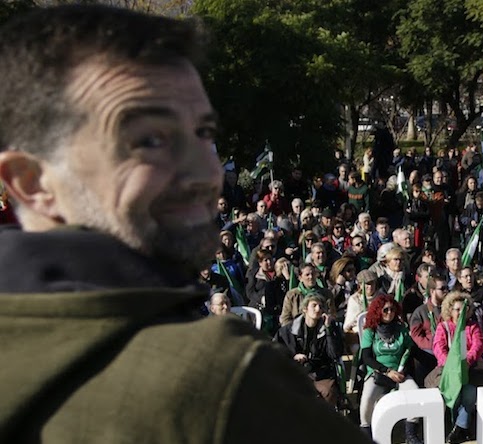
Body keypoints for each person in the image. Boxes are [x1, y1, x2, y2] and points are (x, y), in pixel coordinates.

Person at [0, 5, 366, 442]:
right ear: (32, 181)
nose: (204, 174)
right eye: (150, 140)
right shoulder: (222, 378)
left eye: (204, 135)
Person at [358, 295, 421, 442]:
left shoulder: (401, 330)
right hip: (378, 373)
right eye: (385, 309)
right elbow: (366, 358)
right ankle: (366, 431)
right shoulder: (370, 332)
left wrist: (438, 361)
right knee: (367, 398)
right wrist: (386, 371)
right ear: (378, 311)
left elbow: (414, 352)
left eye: (392, 309)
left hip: (400, 374)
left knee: (415, 394)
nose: (389, 313)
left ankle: (411, 434)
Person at [274, 295, 346, 408]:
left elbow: (335, 354)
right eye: (314, 305)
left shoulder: (330, 329)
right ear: (305, 309)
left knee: (329, 392)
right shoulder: (288, 331)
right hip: (295, 373)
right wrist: (293, 357)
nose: (318, 309)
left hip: (321, 374)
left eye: (321, 307)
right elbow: (276, 353)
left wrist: (328, 330)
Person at [432, 292, 483, 444]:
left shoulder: (472, 326)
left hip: (468, 371)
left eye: (464, 309)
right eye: (457, 309)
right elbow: (438, 348)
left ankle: (459, 428)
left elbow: (478, 344)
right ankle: (456, 427)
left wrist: (466, 361)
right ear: (450, 310)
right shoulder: (444, 327)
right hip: (449, 372)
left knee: (469, 394)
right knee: (452, 396)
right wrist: (451, 364)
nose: (460, 312)